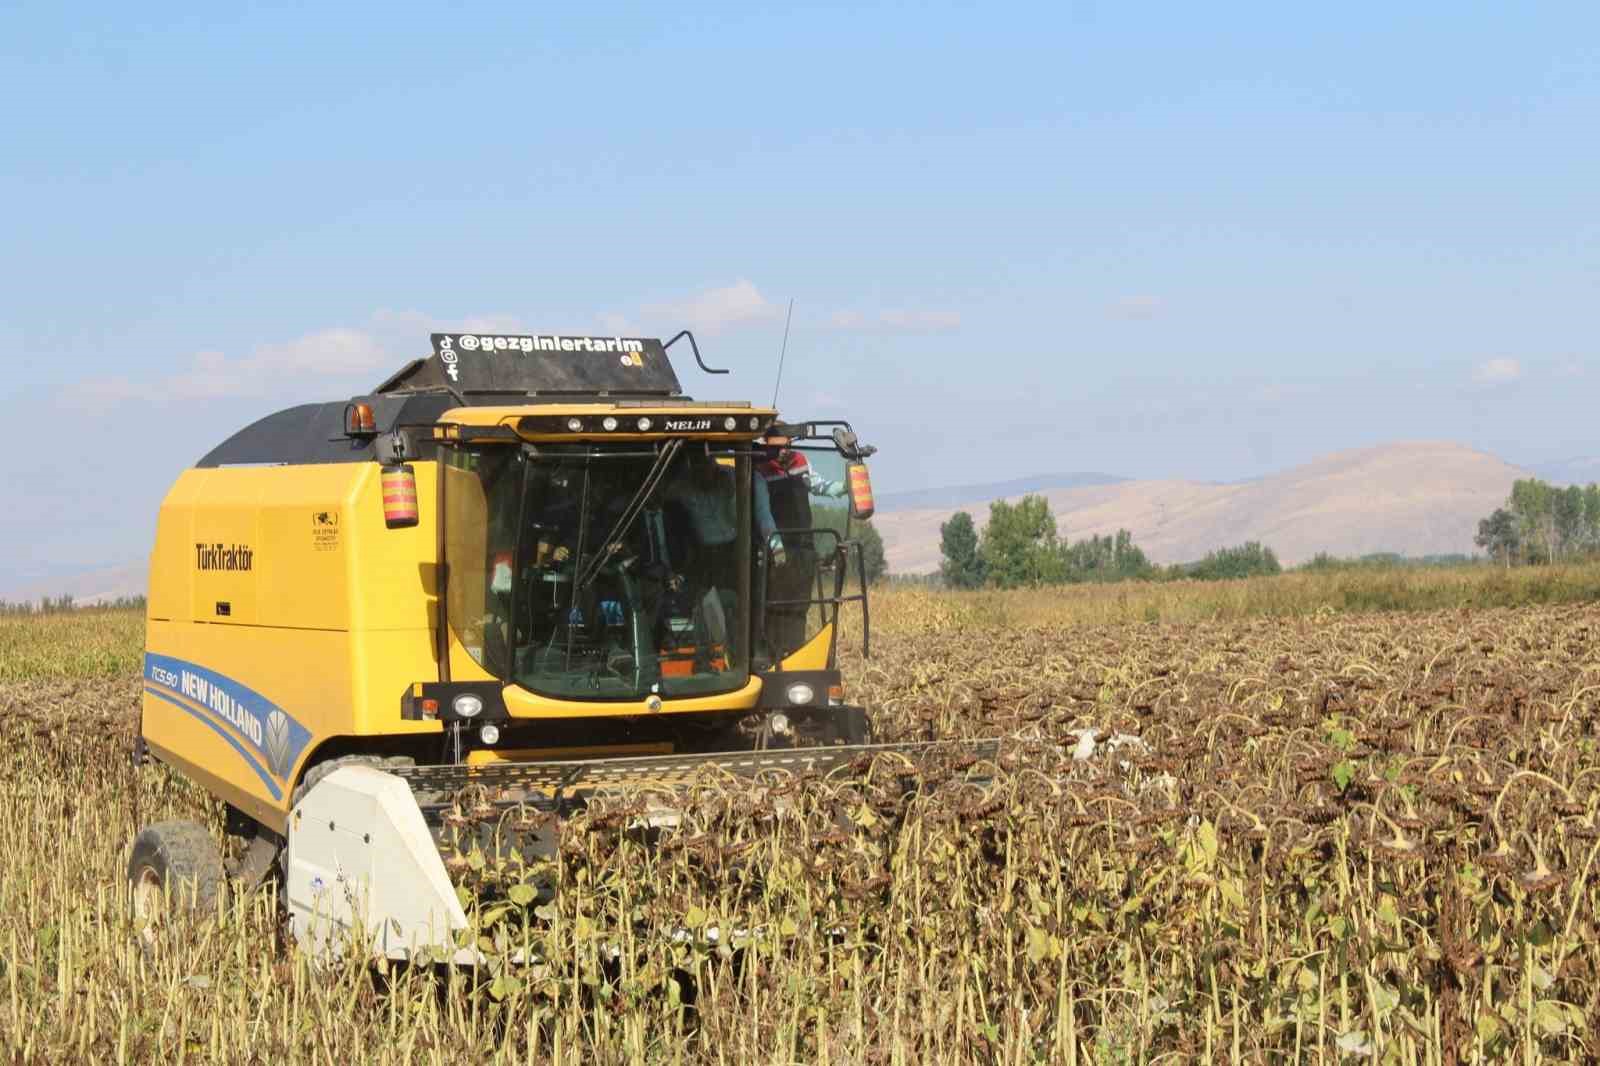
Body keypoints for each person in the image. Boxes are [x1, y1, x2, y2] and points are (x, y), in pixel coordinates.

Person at [757, 434, 848, 658]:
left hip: (803, 546)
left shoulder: (800, 461)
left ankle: (795, 653)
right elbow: (762, 514)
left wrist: (846, 487)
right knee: (775, 606)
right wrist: (776, 547)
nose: (784, 451)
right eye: (777, 448)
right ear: (765, 444)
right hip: (774, 551)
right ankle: (773, 655)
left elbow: (819, 486)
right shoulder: (758, 468)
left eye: (787, 445)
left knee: (801, 604)